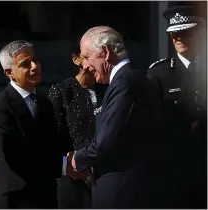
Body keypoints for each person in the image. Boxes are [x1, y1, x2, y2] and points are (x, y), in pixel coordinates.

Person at [71, 26, 163, 208]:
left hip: (122, 194)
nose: (85, 66)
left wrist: (77, 159)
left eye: (87, 57)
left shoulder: (125, 83)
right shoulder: (129, 80)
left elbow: (105, 143)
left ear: (105, 52)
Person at [0, 40, 62, 208]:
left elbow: (53, 143)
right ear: (9, 72)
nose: (35, 66)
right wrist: (62, 164)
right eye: (25, 64)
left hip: (45, 196)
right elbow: (13, 154)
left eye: (36, 60)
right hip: (15, 199)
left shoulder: (44, 103)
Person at [147, 5, 207, 208]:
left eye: (185, 32)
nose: (178, 38)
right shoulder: (159, 73)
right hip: (175, 167)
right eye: (174, 34)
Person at [48, 39, 106, 208]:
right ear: (76, 59)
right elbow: (53, 135)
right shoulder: (62, 91)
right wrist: (69, 164)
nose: (94, 61)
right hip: (74, 176)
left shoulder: (107, 88)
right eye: (88, 56)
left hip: (105, 174)